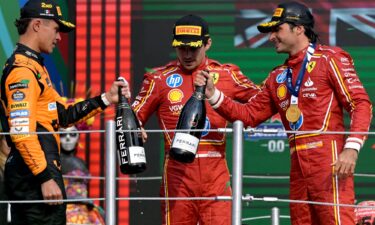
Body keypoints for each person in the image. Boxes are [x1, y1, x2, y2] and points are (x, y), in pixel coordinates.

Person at [195, 2, 372, 225]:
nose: (271, 37)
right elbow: (249, 115)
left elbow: (360, 103)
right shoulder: (278, 76)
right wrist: (213, 94)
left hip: (330, 162)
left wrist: (352, 149)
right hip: (297, 166)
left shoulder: (330, 59)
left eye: (277, 30)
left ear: (298, 28)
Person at [0, 0, 128, 224]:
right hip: (32, 176)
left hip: (38, 171)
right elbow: (21, 132)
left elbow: (63, 115)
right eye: (57, 29)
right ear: (37, 25)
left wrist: (107, 98)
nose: (59, 38)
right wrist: (45, 177)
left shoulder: (36, 68)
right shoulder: (22, 71)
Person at [131, 14, 259, 225]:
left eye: (194, 48)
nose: (187, 54)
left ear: (208, 43)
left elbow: (263, 101)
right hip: (177, 173)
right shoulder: (158, 78)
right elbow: (135, 114)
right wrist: (136, 127)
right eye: (182, 48)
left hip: (216, 172)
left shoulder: (227, 74)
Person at [60, 125, 105, 225]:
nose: (68, 138)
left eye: (72, 134)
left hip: (84, 209)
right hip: (67, 212)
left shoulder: (81, 162)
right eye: (62, 134)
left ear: (78, 136)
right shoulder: (56, 162)